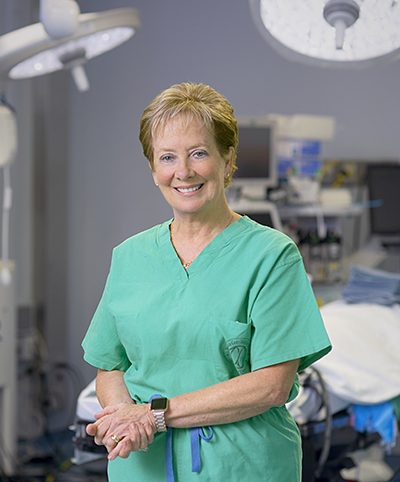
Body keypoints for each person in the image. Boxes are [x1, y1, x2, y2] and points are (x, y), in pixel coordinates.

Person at [82, 82, 331, 481]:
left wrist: (154, 414)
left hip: (243, 466)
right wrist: (122, 421)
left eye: (199, 153)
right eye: (167, 157)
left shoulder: (271, 256)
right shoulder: (129, 257)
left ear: (228, 160)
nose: (183, 172)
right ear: (153, 170)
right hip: (144, 467)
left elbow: (271, 385)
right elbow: (109, 366)